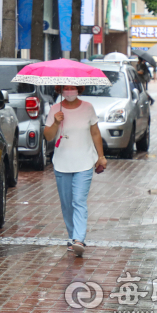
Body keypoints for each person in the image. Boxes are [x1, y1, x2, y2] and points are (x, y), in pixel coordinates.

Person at [43, 85, 107, 258]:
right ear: (61, 90)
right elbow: (48, 136)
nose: (70, 91)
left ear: (79, 89)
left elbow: (95, 133)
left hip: (85, 161)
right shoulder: (56, 109)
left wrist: (100, 156)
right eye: (66, 88)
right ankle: (73, 237)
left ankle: (79, 239)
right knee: (67, 203)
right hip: (62, 162)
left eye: (73, 88)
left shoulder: (88, 108)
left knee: (78, 200)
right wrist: (56, 122)